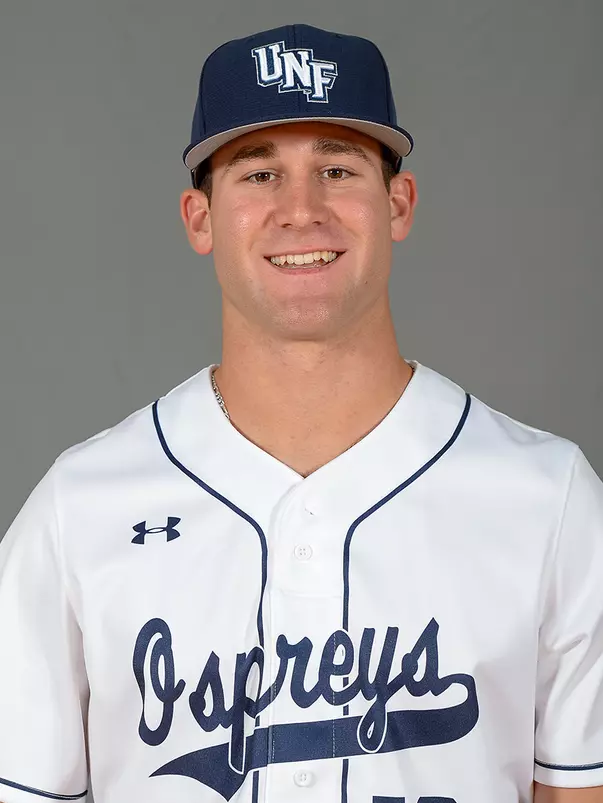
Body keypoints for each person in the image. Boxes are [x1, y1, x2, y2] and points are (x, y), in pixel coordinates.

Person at [0, 22, 601, 803]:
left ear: (398, 203)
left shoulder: (548, 499)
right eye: (256, 174)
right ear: (199, 218)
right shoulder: (77, 508)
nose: (300, 209)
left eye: (337, 167)